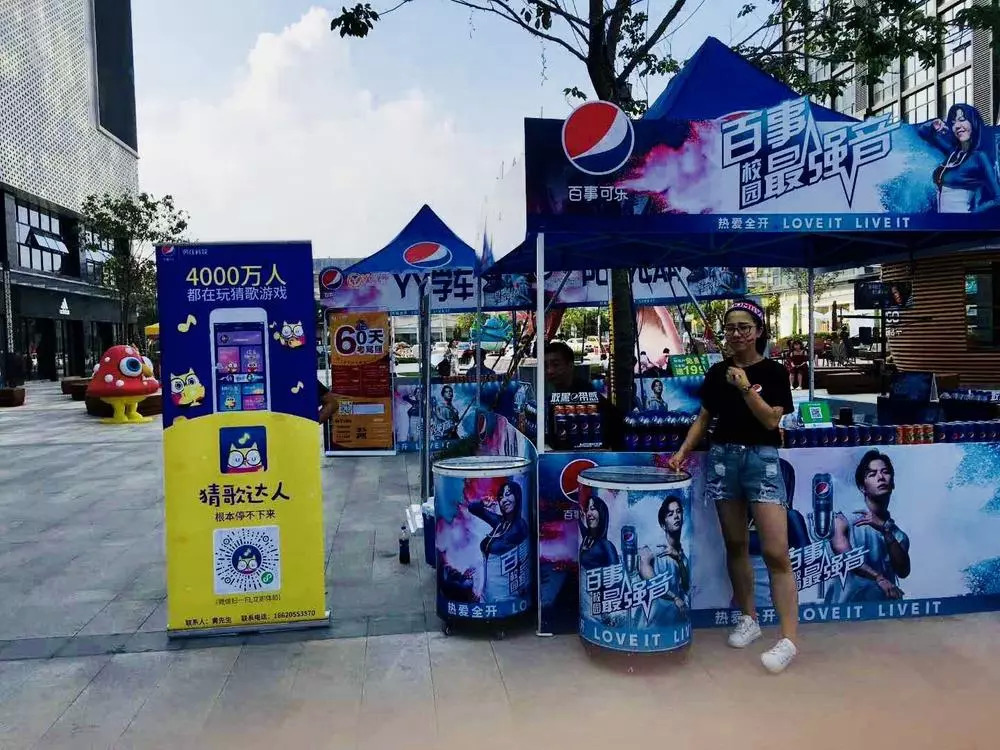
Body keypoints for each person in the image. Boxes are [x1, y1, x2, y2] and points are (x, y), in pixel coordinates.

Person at [668, 299, 798, 674]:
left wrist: (745, 388)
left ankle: (788, 639)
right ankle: (748, 618)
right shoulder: (716, 372)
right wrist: (682, 452)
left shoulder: (774, 372)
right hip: (723, 459)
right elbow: (704, 418)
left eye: (744, 327)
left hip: (762, 461)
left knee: (775, 551)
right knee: (736, 544)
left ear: (758, 331)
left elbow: (771, 421)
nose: (736, 334)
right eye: (730, 328)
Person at [824, 450, 910, 603]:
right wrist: (878, 577)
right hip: (844, 610)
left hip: (885, 611)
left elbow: (903, 571)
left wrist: (885, 529)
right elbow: (847, 558)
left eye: (885, 472)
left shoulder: (899, 536)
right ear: (862, 487)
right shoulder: (843, 520)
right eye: (872, 474)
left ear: (893, 483)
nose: (880, 477)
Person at [918, 104, 1000, 213]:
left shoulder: (979, 157)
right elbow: (923, 132)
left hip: (961, 222)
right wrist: (934, 124)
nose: (957, 126)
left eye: (962, 120)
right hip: (942, 221)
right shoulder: (952, 152)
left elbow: (998, 198)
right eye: (953, 123)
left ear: (973, 122)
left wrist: (972, 215)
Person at [636, 496, 690, 627]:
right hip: (651, 624)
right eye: (670, 514)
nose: (676, 516)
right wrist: (673, 597)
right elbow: (643, 565)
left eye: (678, 512)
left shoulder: (683, 558)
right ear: (663, 524)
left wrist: (678, 559)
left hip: (673, 622)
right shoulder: (656, 547)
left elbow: (686, 587)